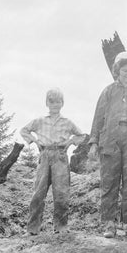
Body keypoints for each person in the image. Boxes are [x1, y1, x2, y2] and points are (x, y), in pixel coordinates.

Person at [89, 52, 127, 241]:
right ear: (117, 70)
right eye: (125, 70)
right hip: (110, 141)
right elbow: (98, 117)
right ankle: (109, 224)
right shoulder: (108, 91)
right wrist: (94, 143)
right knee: (109, 184)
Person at [20, 88, 85, 235]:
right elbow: (24, 130)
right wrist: (35, 141)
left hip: (60, 157)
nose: (55, 104)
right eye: (52, 101)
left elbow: (81, 136)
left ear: (62, 103)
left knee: (61, 192)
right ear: (47, 103)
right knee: (38, 193)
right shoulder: (40, 121)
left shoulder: (67, 122)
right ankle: (32, 228)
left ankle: (61, 226)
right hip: (44, 156)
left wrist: (69, 142)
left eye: (58, 101)